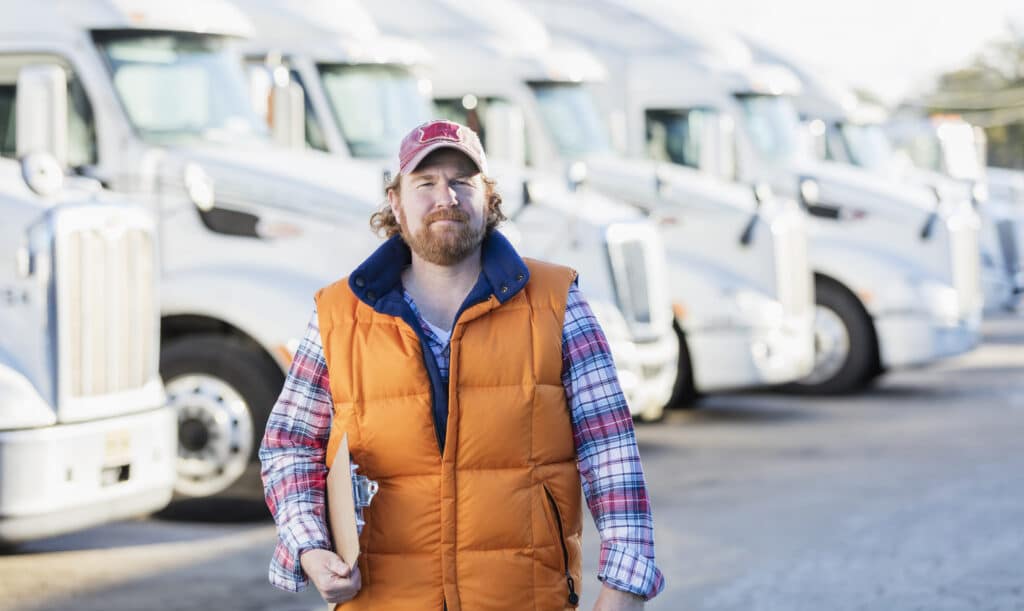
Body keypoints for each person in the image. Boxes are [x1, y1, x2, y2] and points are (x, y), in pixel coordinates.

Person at [260, 120, 664, 610]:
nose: (445, 196)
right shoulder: (338, 315)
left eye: (462, 181)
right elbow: (289, 446)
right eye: (425, 183)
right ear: (395, 202)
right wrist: (310, 547)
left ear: (488, 196)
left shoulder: (558, 304)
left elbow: (610, 449)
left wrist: (624, 588)